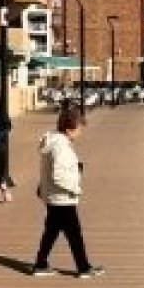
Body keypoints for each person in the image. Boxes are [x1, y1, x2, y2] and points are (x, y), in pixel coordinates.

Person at [30, 107, 103, 278]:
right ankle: (84, 268)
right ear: (69, 129)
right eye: (79, 129)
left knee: (52, 231)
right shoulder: (61, 146)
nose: (80, 133)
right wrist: (75, 188)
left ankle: (40, 264)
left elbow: (50, 171)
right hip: (62, 197)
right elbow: (58, 175)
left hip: (54, 195)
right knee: (74, 234)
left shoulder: (54, 142)